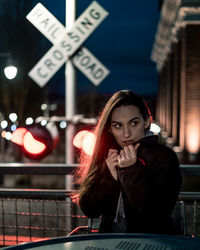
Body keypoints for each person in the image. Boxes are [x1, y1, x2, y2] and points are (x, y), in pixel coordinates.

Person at [76, 90, 182, 234]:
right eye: (118, 126)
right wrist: (111, 178)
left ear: (146, 122)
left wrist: (129, 171)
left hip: (153, 243)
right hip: (109, 241)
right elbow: (90, 209)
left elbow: (154, 216)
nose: (126, 134)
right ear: (110, 129)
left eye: (133, 123)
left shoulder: (163, 157)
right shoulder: (109, 154)